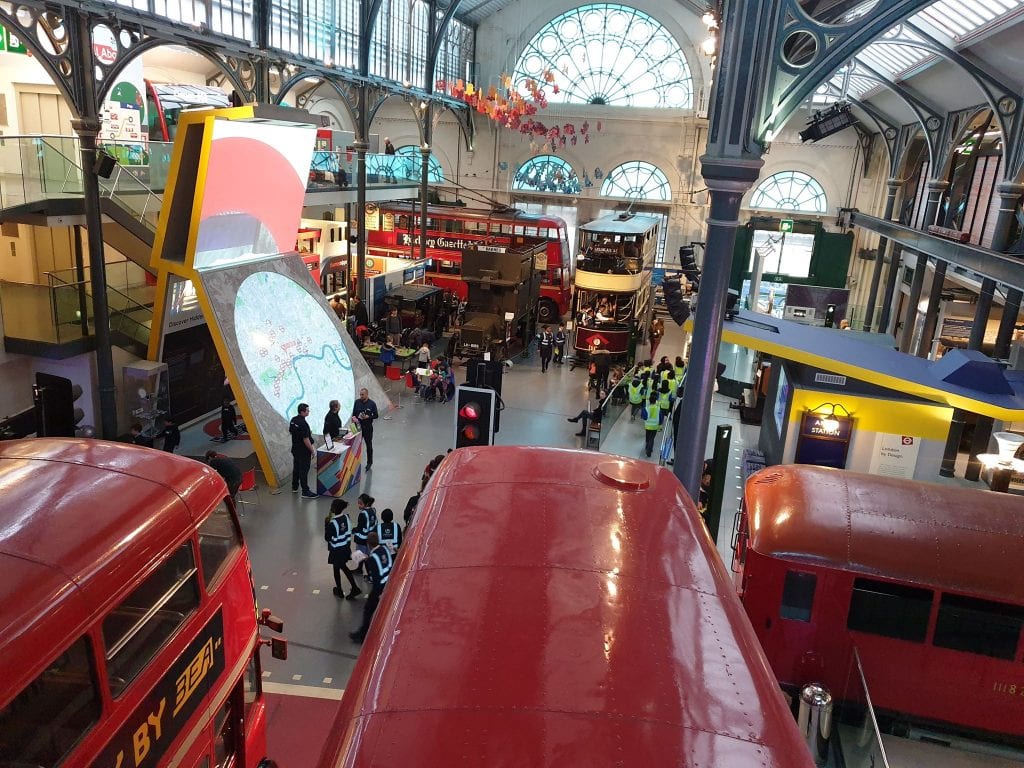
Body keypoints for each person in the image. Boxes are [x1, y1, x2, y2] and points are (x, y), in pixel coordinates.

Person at [349, 532, 393, 643]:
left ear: (368, 544)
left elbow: (376, 577)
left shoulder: (373, 559)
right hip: (389, 584)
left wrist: (378, 594)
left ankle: (363, 634)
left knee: (368, 610)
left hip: (379, 589)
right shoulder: (384, 549)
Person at [325, 499, 361, 600]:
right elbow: (348, 532)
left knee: (339, 569)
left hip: (336, 550)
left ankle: (347, 589)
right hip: (345, 548)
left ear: (334, 509)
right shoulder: (346, 518)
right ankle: (343, 589)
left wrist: (326, 525)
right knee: (339, 567)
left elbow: (327, 538)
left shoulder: (332, 523)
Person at [289, 403, 318, 498]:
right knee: (304, 471)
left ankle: (294, 487)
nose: (308, 412)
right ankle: (305, 491)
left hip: (295, 450)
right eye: (307, 410)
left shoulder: (293, 420)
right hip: (303, 452)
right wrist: (312, 450)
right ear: (302, 412)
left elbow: (291, 432)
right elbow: (306, 440)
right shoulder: (303, 423)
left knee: (296, 468)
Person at [352, 388, 379, 469]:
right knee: (355, 446)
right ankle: (354, 462)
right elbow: (354, 414)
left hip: (367, 428)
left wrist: (368, 416)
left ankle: (369, 462)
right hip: (357, 427)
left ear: (367, 394)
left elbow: (376, 415)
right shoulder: (356, 402)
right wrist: (353, 422)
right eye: (360, 394)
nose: (361, 396)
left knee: (369, 445)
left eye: (362, 394)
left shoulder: (372, 404)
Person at [353, 493, 378, 572]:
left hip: (362, 539)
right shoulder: (373, 510)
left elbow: (359, 528)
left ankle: (367, 572)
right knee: (367, 554)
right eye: (358, 503)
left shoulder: (362, 514)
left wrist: (353, 530)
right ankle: (361, 569)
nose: (359, 505)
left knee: (362, 555)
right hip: (370, 538)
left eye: (360, 504)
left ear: (366, 503)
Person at [643, 391, 661, 458]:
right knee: (652, 438)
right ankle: (649, 449)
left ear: (649, 401)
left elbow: (644, 417)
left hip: (647, 426)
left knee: (647, 437)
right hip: (655, 426)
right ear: (656, 401)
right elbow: (661, 416)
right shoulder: (658, 408)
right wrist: (660, 423)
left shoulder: (647, 408)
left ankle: (647, 446)